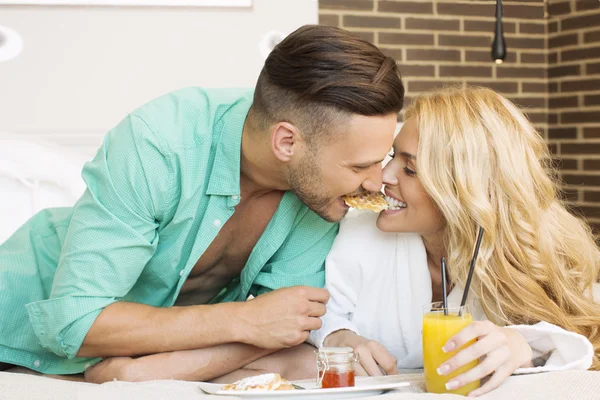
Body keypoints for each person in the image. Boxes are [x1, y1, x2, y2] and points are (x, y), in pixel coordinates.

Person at [0, 24, 405, 380]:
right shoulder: (159, 143)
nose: (375, 183)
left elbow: (286, 328)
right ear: (287, 141)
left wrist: (148, 372)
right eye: (359, 166)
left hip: (123, 361)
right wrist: (242, 319)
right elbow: (74, 322)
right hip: (17, 326)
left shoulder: (319, 195)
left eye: (380, 160)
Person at [265, 86, 599, 396]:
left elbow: (583, 333)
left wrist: (525, 345)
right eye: (391, 156)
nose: (383, 177)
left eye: (409, 169)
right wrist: (341, 338)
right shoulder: (358, 234)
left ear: (463, 188)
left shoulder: (538, 251)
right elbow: (320, 318)